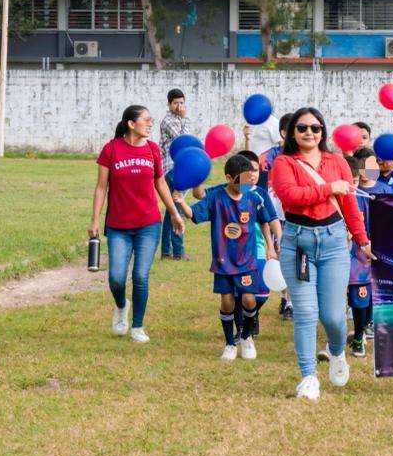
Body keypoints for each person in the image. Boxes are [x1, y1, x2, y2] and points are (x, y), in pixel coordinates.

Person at [270, 107, 372, 400]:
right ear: (292, 133)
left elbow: (349, 205)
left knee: (333, 316)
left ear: (322, 131)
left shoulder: (336, 161)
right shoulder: (283, 162)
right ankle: (308, 377)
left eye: (315, 128)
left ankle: (337, 351)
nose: (309, 133)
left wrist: (362, 240)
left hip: (334, 242)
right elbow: (291, 196)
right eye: (302, 128)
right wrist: (330, 188)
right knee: (305, 312)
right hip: (298, 242)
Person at [91, 105, 184, 344]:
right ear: (131, 124)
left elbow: (160, 184)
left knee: (140, 276)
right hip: (118, 226)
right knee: (116, 278)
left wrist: (174, 213)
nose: (151, 123)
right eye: (146, 120)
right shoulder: (111, 149)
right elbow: (101, 187)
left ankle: (137, 327)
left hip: (148, 224)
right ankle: (122, 305)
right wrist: (94, 220)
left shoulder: (153, 149)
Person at [175, 154, 275, 361]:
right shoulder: (216, 197)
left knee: (249, 299)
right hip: (223, 260)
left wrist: (270, 247)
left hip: (247, 260)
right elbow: (194, 214)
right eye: (242, 180)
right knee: (227, 301)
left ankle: (246, 337)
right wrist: (181, 202)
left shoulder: (254, 198)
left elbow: (265, 221)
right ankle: (230, 343)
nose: (247, 183)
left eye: (249, 178)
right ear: (229, 178)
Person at [230, 150, 281, 340]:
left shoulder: (261, 194)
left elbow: (272, 219)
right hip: (234, 252)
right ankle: (241, 330)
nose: (252, 174)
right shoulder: (228, 193)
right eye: (248, 170)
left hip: (258, 249)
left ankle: (252, 314)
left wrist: (276, 242)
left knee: (261, 292)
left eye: (256, 170)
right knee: (237, 293)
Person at [348, 147, 391, 358]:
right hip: (357, 252)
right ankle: (358, 336)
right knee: (359, 293)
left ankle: (369, 323)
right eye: (364, 165)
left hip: (381, 249)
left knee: (376, 290)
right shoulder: (351, 193)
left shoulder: (386, 191)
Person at [258, 112, 294, 320]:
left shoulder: (305, 155)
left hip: (298, 215)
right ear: (283, 133)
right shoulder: (268, 157)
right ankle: (285, 299)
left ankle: (290, 301)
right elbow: (255, 184)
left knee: (296, 258)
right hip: (276, 216)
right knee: (280, 257)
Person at [158, 88, 190, 260]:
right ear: (169, 104)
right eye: (176, 103)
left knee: (171, 210)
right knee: (177, 207)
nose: (179, 106)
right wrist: (184, 118)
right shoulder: (169, 121)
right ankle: (178, 252)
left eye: (182, 103)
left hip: (179, 166)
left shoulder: (179, 119)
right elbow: (184, 140)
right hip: (172, 168)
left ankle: (166, 251)